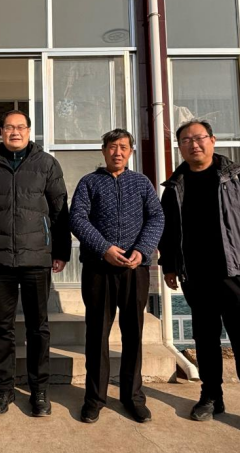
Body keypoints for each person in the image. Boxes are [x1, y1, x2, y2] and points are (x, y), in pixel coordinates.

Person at [158, 119, 240, 446]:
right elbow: (169, 232)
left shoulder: (236, 176)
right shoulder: (175, 185)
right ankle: (211, 396)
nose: (194, 144)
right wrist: (170, 266)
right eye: (186, 140)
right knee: (205, 340)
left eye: (199, 138)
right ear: (180, 147)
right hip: (196, 276)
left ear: (212, 140)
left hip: (237, 273)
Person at [0, 110, 71, 417]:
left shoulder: (47, 164)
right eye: (9, 127)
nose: (15, 132)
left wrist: (61, 251)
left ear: (29, 131)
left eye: (21, 127)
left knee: (38, 328)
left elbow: (59, 210)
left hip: (36, 258)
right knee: (2, 328)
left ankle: (39, 391)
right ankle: (4, 390)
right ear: (1, 131)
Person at [69, 129, 164, 424]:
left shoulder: (142, 183)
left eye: (123, 147)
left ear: (131, 152)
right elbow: (77, 218)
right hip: (99, 269)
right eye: (112, 146)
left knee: (133, 333)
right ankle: (94, 398)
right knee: (97, 333)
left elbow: (156, 217)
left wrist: (143, 250)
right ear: (103, 151)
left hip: (135, 269)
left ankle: (133, 397)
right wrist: (104, 248)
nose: (117, 152)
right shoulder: (89, 182)